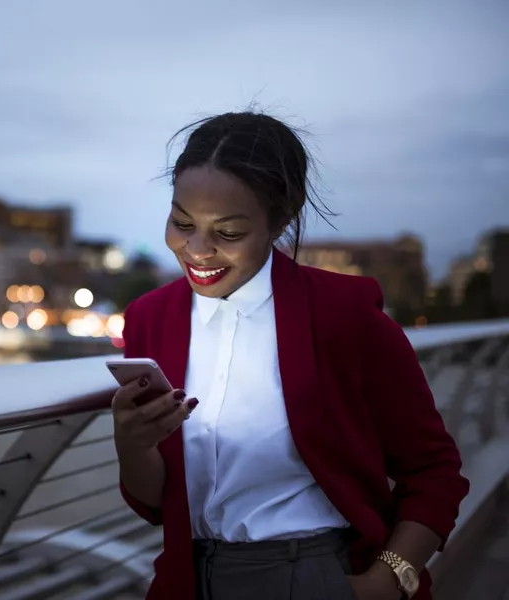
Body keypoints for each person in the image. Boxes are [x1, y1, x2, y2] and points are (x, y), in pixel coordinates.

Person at [111, 112, 469, 600]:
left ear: (282, 218)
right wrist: (133, 443)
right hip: (188, 580)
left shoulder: (346, 316)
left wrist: (390, 579)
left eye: (229, 232)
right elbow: (156, 504)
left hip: (318, 575)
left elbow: (434, 472)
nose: (197, 249)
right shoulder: (150, 318)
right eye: (182, 223)